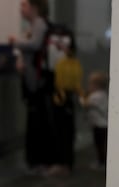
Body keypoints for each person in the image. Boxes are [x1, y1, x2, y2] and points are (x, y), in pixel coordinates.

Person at [9, 0, 51, 174]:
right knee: (34, 119)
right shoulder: (32, 26)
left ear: (34, 7)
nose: (21, 9)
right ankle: (34, 160)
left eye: (24, 5)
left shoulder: (39, 24)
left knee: (37, 120)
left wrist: (15, 42)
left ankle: (37, 161)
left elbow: (34, 44)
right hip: (31, 79)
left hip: (36, 81)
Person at [45, 31, 83, 177]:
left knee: (64, 130)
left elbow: (71, 82)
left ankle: (65, 163)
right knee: (61, 128)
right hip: (63, 96)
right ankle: (64, 162)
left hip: (65, 97)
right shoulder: (67, 63)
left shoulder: (69, 64)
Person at [80, 71, 108, 170]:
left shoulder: (96, 96)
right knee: (102, 145)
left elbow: (85, 104)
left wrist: (81, 95)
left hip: (99, 126)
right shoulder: (103, 94)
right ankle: (102, 162)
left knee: (99, 145)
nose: (89, 86)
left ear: (96, 85)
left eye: (90, 84)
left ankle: (102, 163)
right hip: (102, 125)